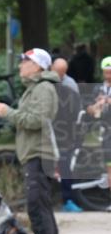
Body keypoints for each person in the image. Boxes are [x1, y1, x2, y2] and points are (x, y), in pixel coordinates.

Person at [0, 49, 64, 234]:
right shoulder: (34, 89)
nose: (21, 65)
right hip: (33, 154)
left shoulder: (43, 88)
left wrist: (8, 113)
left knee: (38, 208)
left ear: (38, 66)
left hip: (39, 154)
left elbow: (37, 120)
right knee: (39, 207)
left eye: (25, 61)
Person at [51, 57, 84, 212]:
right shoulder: (47, 84)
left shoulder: (70, 86)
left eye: (60, 74)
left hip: (64, 131)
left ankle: (68, 199)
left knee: (64, 164)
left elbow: (75, 113)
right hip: (52, 129)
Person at [86, 56, 111, 212]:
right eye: (106, 73)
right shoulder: (97, 89)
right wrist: (96, 106)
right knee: (109, 168)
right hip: (105, 131)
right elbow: (89, 109)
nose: (109, 76)